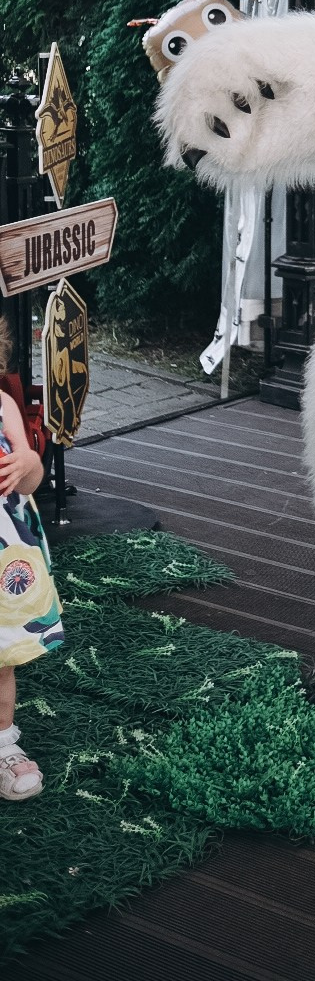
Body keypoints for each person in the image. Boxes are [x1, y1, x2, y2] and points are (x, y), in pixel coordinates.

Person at [0, 321, 65, 801]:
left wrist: (28, 465)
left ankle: (3, 743)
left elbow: (31, 474)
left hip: (5, 561)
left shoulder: (1, 405)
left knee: (0, 658)